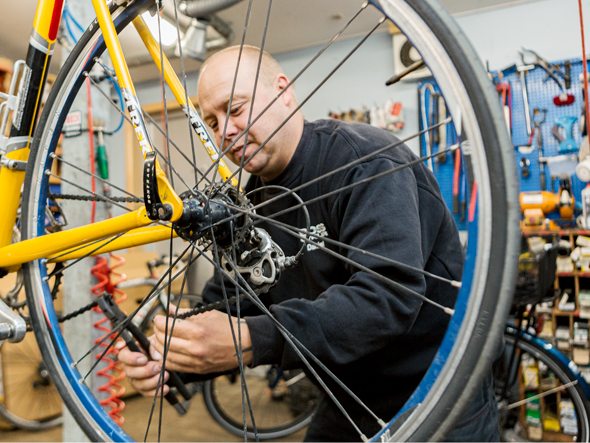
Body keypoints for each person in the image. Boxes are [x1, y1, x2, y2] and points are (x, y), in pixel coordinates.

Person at [118, 45, 499, 441]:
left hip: (437, 391)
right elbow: (237, 297)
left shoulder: (366, 161)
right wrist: (177, 356)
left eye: (235, 109)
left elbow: (386, 300)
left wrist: (250, 339)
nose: (224, 132)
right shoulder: (253, 200)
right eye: (211, 122)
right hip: (346, 395)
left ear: (284, 91)